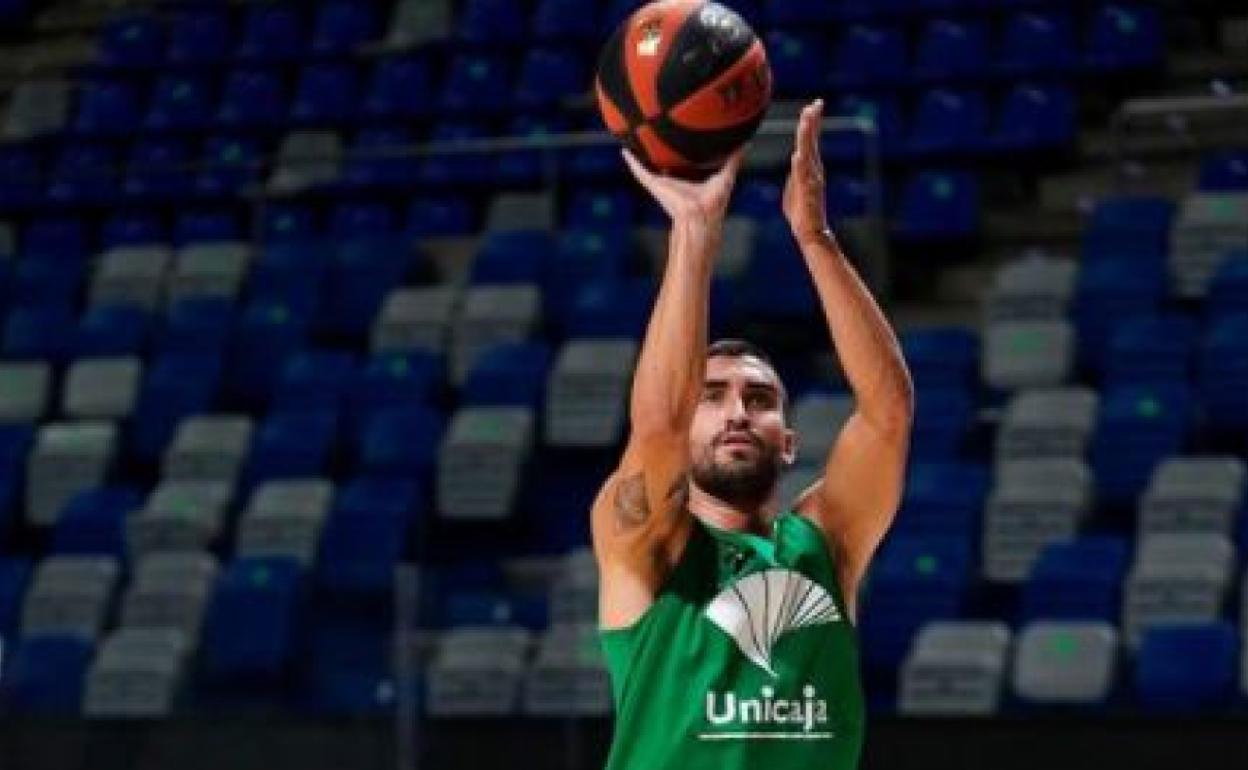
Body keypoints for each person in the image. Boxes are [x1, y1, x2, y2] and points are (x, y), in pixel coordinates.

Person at [592, 99, 914, 770]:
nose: (738, 410)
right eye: (713, 397)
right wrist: (693, 231)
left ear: (789, 441)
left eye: (759, 398)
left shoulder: (828, 543)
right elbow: (656, 425)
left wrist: (816, 239)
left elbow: (887, 412)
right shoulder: (647, 542)